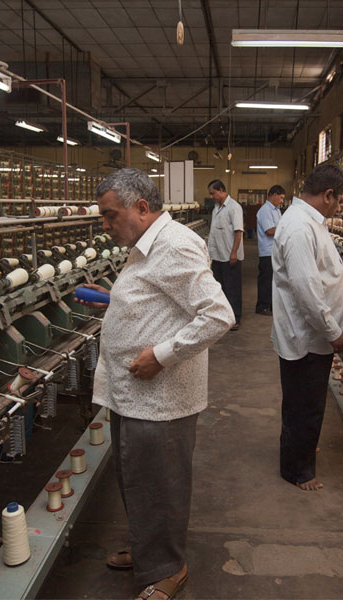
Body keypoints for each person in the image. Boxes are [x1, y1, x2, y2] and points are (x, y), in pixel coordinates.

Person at [79, 169, 234, 600]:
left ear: (142, 208)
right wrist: (113, 299)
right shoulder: (145, 245)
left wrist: (162, 355)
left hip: (161, 399)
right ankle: (149, 548)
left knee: (161, 485)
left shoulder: (174, 245)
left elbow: (218, 315)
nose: (105, 225)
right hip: (134, 396)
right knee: (138, 480)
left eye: (110, 215)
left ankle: (169, 569)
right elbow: (158, 299)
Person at [271, 164, 343, 491]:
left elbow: (320, 276)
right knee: (304, 405)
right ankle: (298, 471)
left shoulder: (309, 222)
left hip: (311, 335)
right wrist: (333, 331)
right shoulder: (298, 227)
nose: (339, 208)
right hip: (307, 337)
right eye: (340, 201)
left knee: (304, 402)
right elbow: (306, 291)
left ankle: (300, 451)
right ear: (328, 195)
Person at [207, 179, 243, 330]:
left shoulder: (234, 207)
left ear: (221, 190)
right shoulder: (216, 208)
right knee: (219, 288)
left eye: (212, 193)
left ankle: (235, 319)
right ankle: (223, 317)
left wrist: (234, 253)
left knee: (232, 288)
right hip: (217, 256)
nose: (211, 197)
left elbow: (238, 232)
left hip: (229, 256)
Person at [255, 185, 284, 315]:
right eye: (281, 198)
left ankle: (271, 304)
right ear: (274, 195)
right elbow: (269, 230)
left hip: (275, 251)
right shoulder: (265, 210)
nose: (281, 201)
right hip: (267, 252)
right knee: (266, 280)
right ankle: (262, 306)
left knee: (274, 280)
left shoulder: (277, 210)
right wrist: (285, 228)